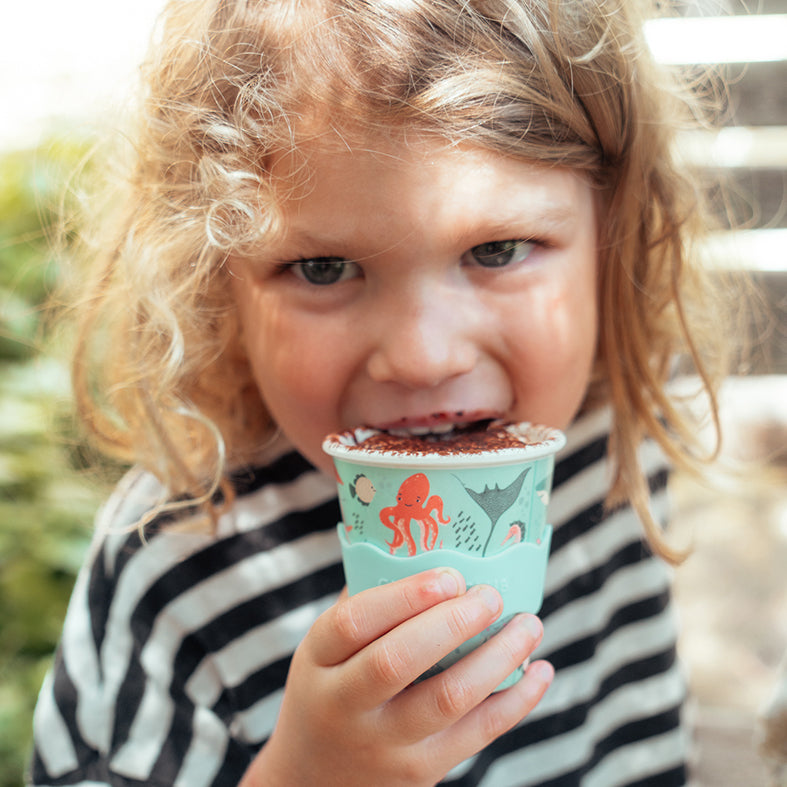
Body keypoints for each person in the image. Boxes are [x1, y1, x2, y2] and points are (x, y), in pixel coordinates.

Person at [29, 0, 734, 784]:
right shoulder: (175, 556)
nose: (423, 357)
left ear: (611, 229)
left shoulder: (614, 439)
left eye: (495, 250)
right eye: (324, 269)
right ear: (217, 282)